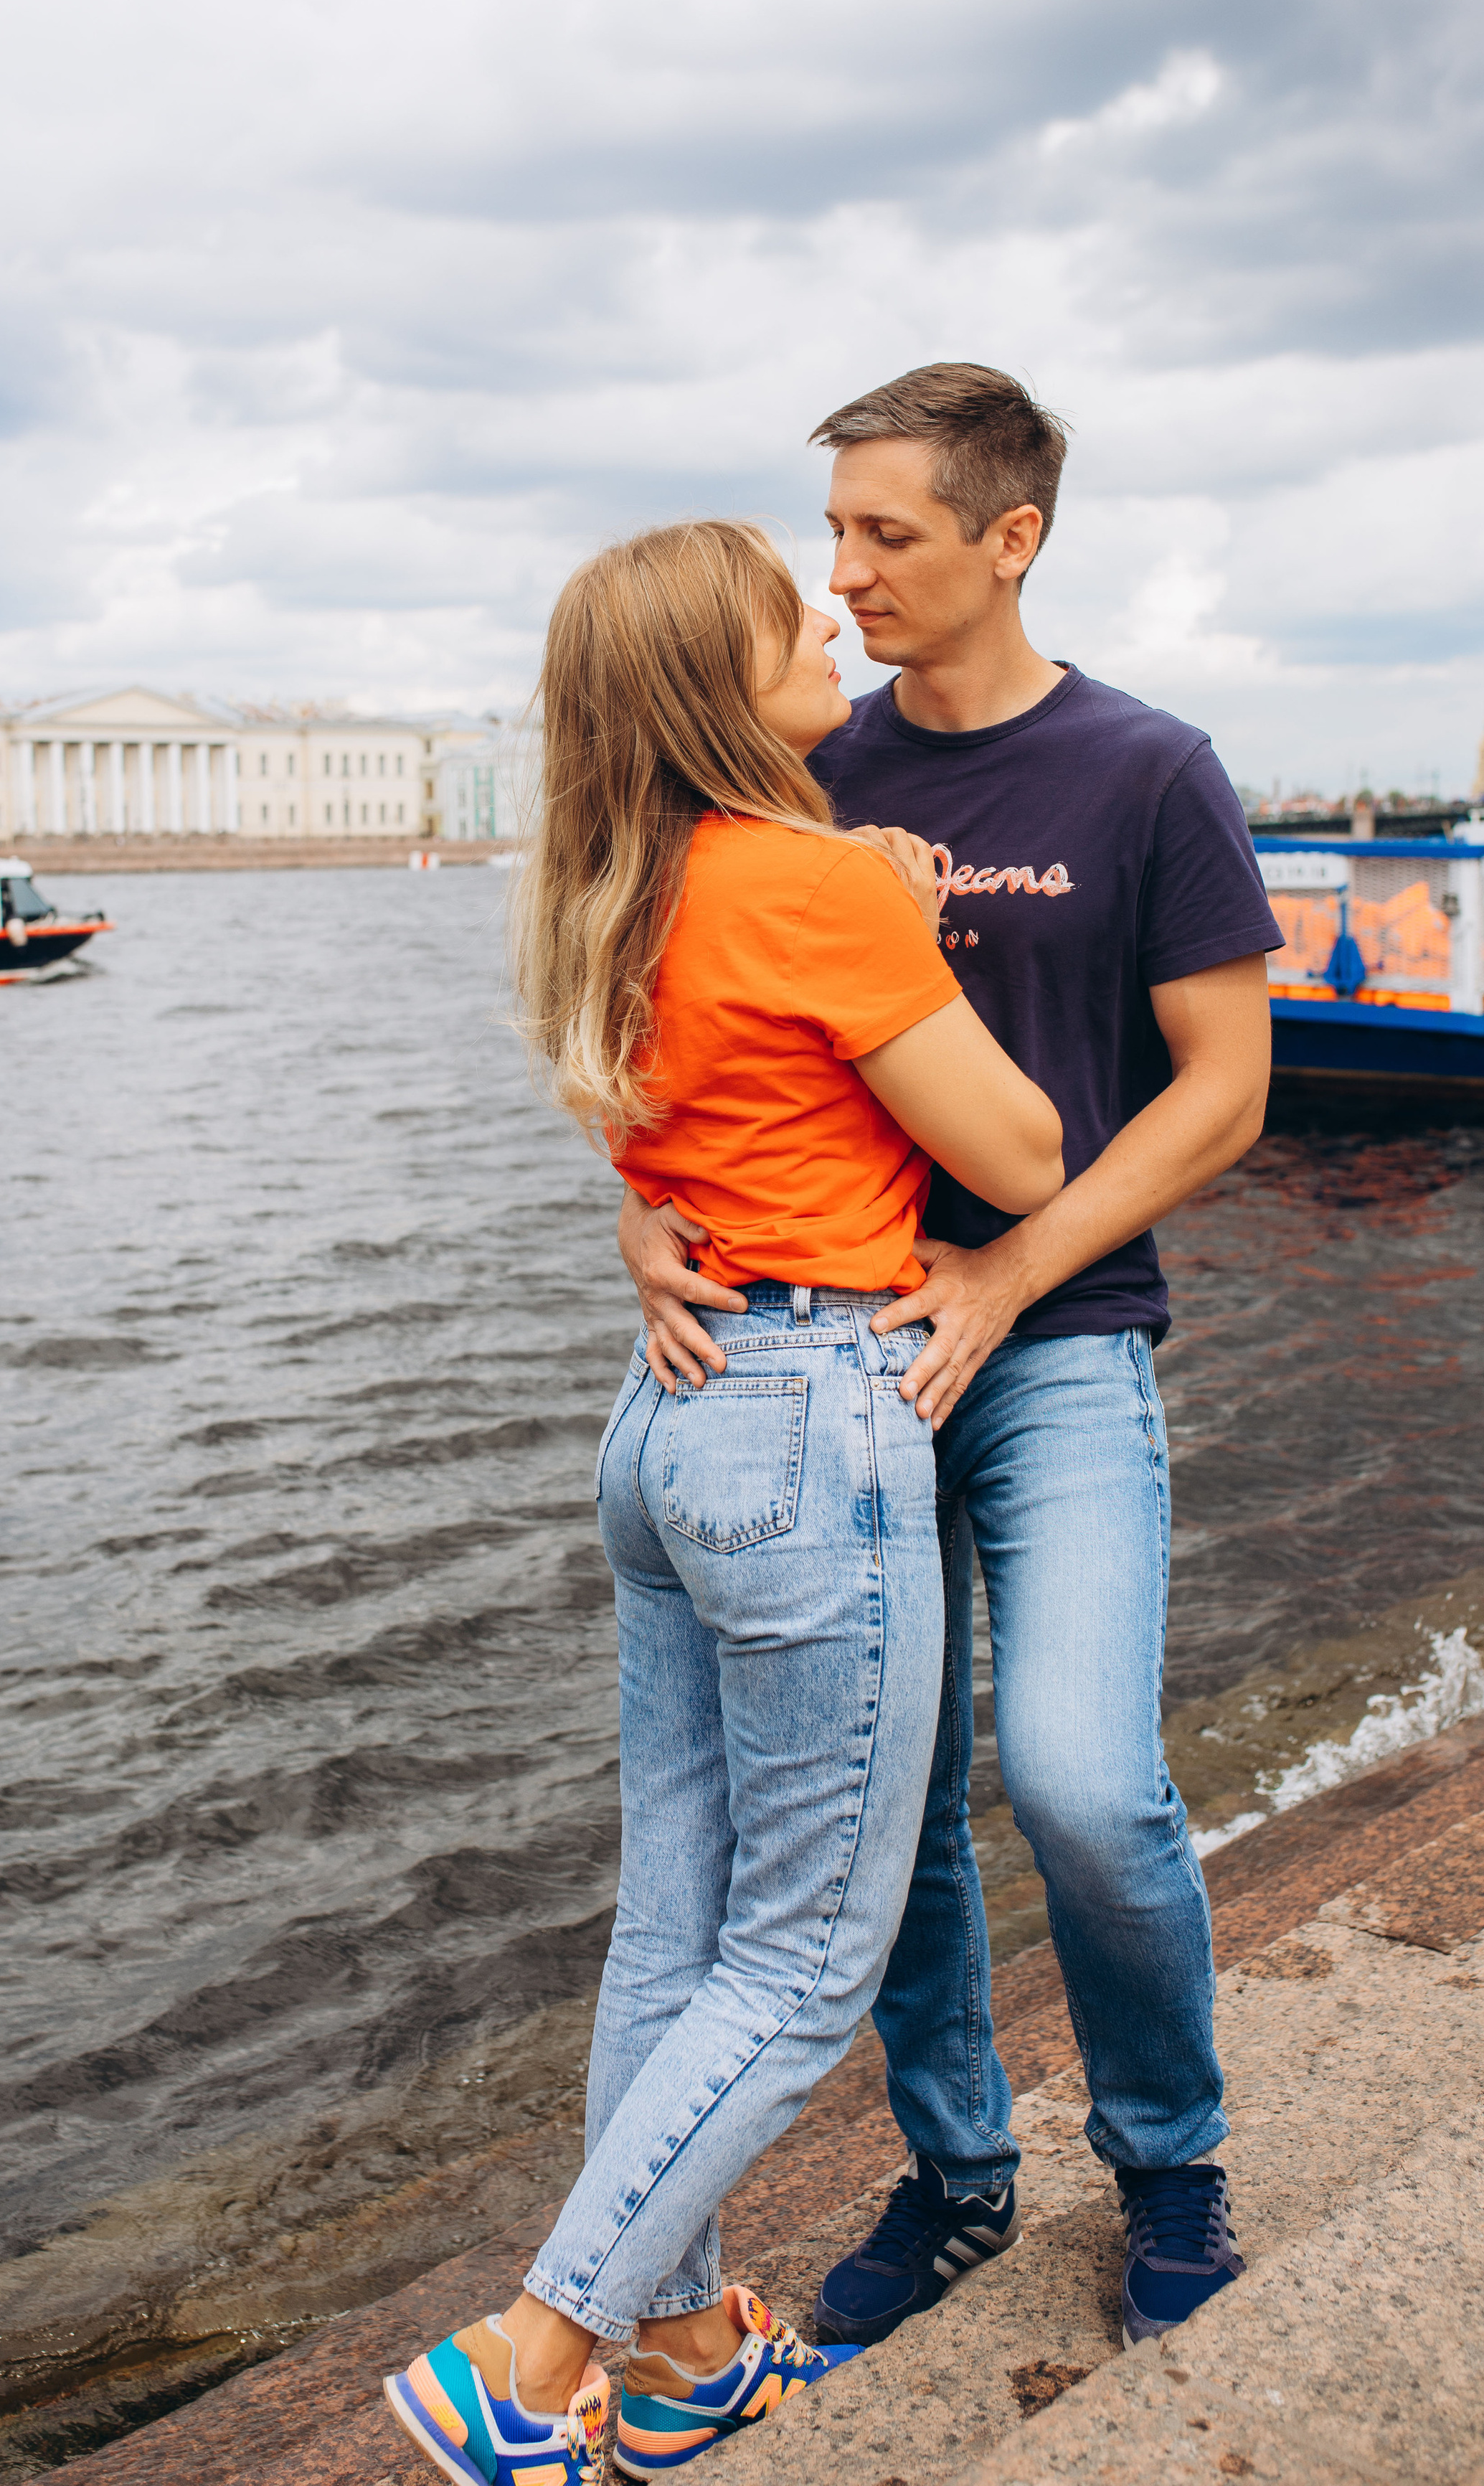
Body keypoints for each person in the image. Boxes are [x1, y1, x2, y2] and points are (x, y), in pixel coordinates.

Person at [384, 519, 1063, 2486]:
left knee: (672, 1931)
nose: (829, 612)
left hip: (669, 1425)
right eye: (792, 609)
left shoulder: (614, 881)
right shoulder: (819, 888)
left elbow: (675, 1138)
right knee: (796, 1968)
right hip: (808, 1425)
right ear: (719, 680)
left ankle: (680, 2351)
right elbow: (1015, 1152)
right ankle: (529, 2359)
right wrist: (907, 926)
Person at [618, 367, 1282, 2356]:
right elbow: (688, 1025)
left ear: (1014, 539)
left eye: (886, 534)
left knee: (1081, 1780)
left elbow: (1227, 1090)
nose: (844, 577)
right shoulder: (807, 769)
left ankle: (1169, 2153)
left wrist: (1003, 1278)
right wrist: (639, 1216)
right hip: (823, 1369)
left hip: (1057, 1346)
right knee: (883, 1822)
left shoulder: (1148, 770)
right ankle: (960, 2170)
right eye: (829, 537)